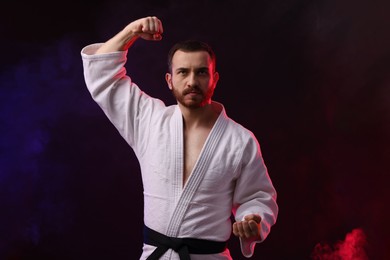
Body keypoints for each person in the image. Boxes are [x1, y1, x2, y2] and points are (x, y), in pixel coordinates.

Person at [81, 16, 278, 260]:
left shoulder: (240, 141)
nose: (192, 81)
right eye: (183, 72)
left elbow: (257, 196)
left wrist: (252, 220)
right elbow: (101, 74)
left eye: (202, 73)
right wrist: (131, 31)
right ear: (170, 80)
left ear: (214, 80)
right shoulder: (149, 121)